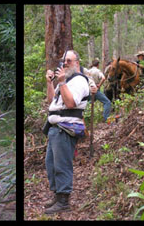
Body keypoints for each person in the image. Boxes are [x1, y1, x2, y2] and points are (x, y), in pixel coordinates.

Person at [43, 50, 89, 214]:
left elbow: (70, 104)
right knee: (51, 164)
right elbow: (51, 102)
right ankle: (57, 196)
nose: (65, 63)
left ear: (77, 62)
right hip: (55, 129)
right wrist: (51, 83)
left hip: (65, 128)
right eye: (64, 60)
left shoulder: (79, 82)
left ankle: (64, 201)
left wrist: (61, 82)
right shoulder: (67, 82)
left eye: (69, 60)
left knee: (62, 165)